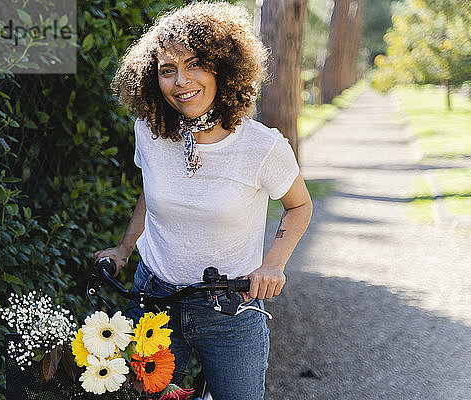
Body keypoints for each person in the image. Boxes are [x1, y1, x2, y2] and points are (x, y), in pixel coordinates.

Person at [95, 2, 312, 399]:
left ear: (222, 69)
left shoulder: (261, 146)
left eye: (195, 64)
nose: (181, 81)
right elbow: (152, 190)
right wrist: (126, 248)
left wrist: (274, 264)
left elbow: (299, 205)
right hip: (154, 300)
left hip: (230, 311)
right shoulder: (150, 130)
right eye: (167, 70)